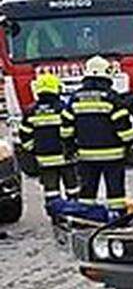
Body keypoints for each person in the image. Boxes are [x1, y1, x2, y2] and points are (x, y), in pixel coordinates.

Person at [70, 56, 133, 213]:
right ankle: (117, 217)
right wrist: (129, 144)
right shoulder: (112, 98)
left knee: (87, 191)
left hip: (85, 155)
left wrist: (70, 147)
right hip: (113, 156)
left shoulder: (75, 98)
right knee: (115, 192)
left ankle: (85, 217)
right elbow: (123, 127)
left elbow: (66, 127)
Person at [18, 72, 79, 203]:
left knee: (51, 191)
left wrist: (34, 149)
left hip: (44, 159)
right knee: (72, 188)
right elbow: (73, 130)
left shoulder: (31, 111)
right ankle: (74, 213)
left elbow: (24, 134)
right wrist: (73, 147)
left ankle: (55, 214)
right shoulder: (63, 109)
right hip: (65, 158)